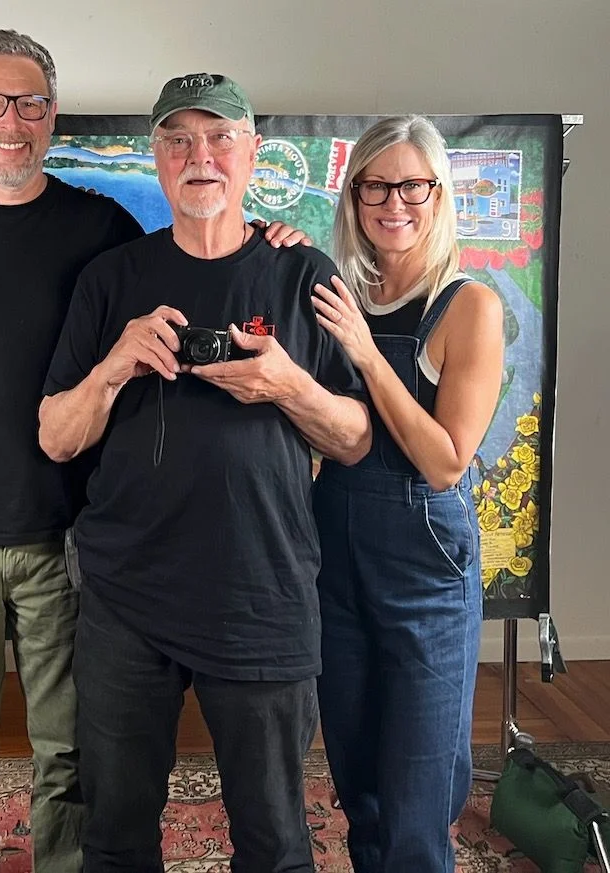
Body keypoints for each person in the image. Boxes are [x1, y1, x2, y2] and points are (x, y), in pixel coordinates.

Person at [0, 36, 310, 873]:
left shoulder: (101, 230)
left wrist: (274, 237)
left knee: (71, 758)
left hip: (67, 543)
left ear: (51, 115)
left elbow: (207, 241)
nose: (11, 122)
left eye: (29, 104)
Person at [37, 72, 372, 871]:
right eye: (179, 140)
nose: (201, 157)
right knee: (115, 834)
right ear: (156, 157)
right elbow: (55, 437)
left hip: (264, 593)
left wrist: (287, 385)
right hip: (128, 594)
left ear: (251, 154)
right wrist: (117, 362)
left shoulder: (305, 274)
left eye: (220, 137)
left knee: (275, 838)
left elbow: (356, 438)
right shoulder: (112, 279)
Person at [310, 115, 504, 873]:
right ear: (355, 196)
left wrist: (363, 348)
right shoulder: (335, 295)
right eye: (377, 186)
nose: (396, 202)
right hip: (334, 555)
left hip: (425, 561)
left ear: (439, 193)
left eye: (413, 185)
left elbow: (445, 460)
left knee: (419, 797)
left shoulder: (469, 308)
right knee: (361, 787)